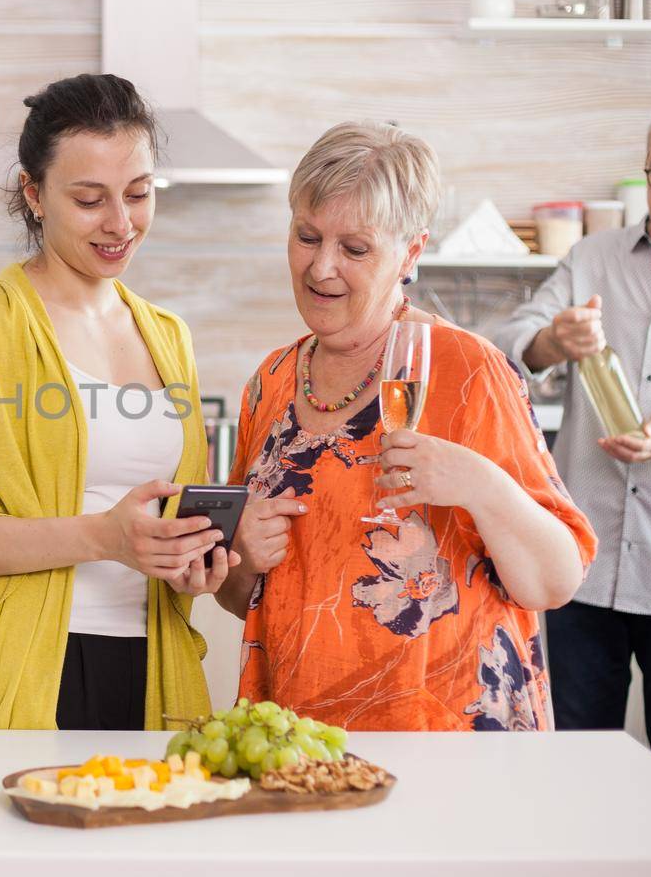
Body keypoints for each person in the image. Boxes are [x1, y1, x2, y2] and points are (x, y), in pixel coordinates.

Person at [217, 120, 597, 731]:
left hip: (447, 745)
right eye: (306, 236)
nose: (321, 268)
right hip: (302, 743)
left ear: (410, 253)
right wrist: (243, 560)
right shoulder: (273, 381)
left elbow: (555, 580)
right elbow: (241, 599)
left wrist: (480, 485)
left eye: (355, 249)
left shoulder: (469, 370)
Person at [0, 74, 236, 732]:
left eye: (139, 194)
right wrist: (102, 537)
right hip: (30, 675)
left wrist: (191, 562)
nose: (120, 223)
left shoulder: (169, 336)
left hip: (156, 672)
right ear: (34, 194)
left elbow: (165, 517)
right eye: (90, 199)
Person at [489, 100, 651, 760]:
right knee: (577, 762)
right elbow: (508, 346)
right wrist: (555, 337)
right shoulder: (591, 258)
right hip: (581, 563)